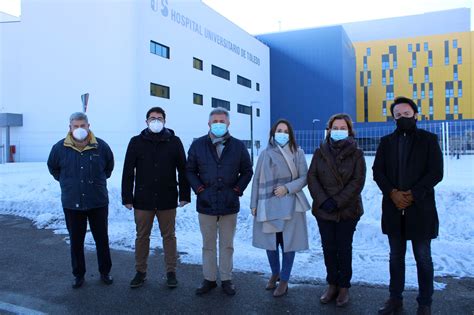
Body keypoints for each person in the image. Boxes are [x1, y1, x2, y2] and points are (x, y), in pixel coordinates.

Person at [373, 97, 443, 315]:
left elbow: (436, 172)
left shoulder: (429, 140)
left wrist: (413, 194)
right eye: (397, 115)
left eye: (406, 113)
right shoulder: (386, 142)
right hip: (394, 209)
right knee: (396, 257)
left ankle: (425, 303)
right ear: (393, 117)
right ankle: (395, 299)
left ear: (415, 114)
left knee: (423, 257)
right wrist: (393, 193)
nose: (402, 117)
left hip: (420, 209)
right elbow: (378, 171)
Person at [186, 107, 253, 296]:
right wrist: (200, 190)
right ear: (208, 124)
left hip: (229, 204)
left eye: (222, 121)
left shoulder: (238, 146)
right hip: (206, 203)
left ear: (228, 123)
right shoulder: (198, 145)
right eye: (214, 121)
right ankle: (209, 279)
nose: (218, 124)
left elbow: (247, 171)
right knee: (208, 244)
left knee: (227, 245)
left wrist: (237, 190)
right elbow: (189, 170)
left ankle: (226, 279)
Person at [122, 106, 190, 289]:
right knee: (142, 236)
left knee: (169, 236)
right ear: (146, 121)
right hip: (142, 200)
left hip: (167, 198)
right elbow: (128, 171)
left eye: (159, 118)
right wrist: (127, 197)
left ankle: (171, 272)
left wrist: (185, 195)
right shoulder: (136, 142)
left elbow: (183, 170)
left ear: (165, 121)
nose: (156, 121)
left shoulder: (174, 141)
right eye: (152, 118)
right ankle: (140, 272)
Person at [47, 112, 114, 289]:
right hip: (72, 203)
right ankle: (79, 274)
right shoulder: (59, 148)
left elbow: (109, 168)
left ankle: (105, 271)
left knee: (102, 239)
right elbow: (53, 167)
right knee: (76, 241)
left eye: (82, 126)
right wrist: (67, 182)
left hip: (97, 202)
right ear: (69, 127)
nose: (79, 129)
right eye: (75, 126)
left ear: (88, 126)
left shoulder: (101, 146)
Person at [307, 113, 366, 307]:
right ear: (329, 129)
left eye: (343, 128)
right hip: (324, 209)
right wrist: (324, 200)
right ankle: (331, 284)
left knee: (344, 248)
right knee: (328, 248)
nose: (338, 131)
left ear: (349, 130)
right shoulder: (320, 151)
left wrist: (337, 202)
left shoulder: (357, 153)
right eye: (335, 127)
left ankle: (344, 287)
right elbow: (312, 177)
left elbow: (357, 182)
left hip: (348, 210)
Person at [250, 119, 311, 297]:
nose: (282, 134)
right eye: (279, 130)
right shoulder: (264, 154)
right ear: (273, 133)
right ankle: (275, 272)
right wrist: (253, 204)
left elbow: (305, 177)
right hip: (268, 204)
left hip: (290, 204)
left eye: (285, 131)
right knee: (271, 243)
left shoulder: (297, 153)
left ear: (290, 134)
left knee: (288, 244)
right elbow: (256, 180)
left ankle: (284, 279)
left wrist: (287, 188)